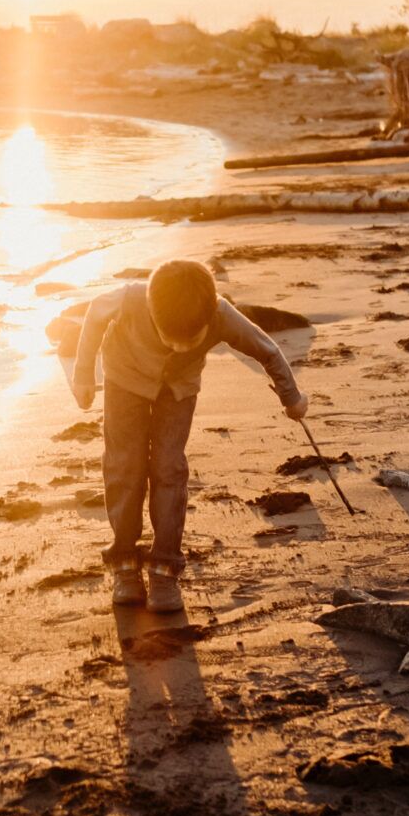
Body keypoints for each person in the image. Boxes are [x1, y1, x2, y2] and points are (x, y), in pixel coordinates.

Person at [71, 260, 309, 612]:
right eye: (169, 338)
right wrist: (83, 374)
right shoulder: (129, 298)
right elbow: (93, 315)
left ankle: (165, 568)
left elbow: (267, 351)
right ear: (152, 309)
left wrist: (292, 398)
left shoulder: (220, 313)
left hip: (179, 389)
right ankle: (124, 563)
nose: (180, 347)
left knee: (168, 468)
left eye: (191, 340)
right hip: (124, 377)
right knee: (125, 466)